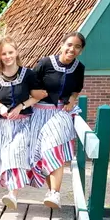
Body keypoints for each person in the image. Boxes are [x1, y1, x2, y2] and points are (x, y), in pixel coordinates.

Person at [0, 38, 47, 210]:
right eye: (4, 53)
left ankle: (12, 195)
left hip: (23, 123)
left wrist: (21, 106)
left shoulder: (28, 74)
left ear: (16, 53)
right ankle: (10, 190)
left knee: (16, 155)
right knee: (3, 159)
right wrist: (0, 106)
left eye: (11, 52)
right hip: (1, 125)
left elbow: (38, 95)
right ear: (0, 56)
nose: (8, 56)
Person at [28, 32, 86, 209]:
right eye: (69, 45)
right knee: (44, 153)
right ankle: (51, 192)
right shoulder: (45, 63)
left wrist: (73, 99)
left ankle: (55, 193)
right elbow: (29, 84)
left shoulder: (79, 68)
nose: (72, 49)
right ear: (62, 45)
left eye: (77, 47)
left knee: (53, 148)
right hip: (39, 112)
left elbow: (77, 89)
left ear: (81, 51)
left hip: (60, 112)